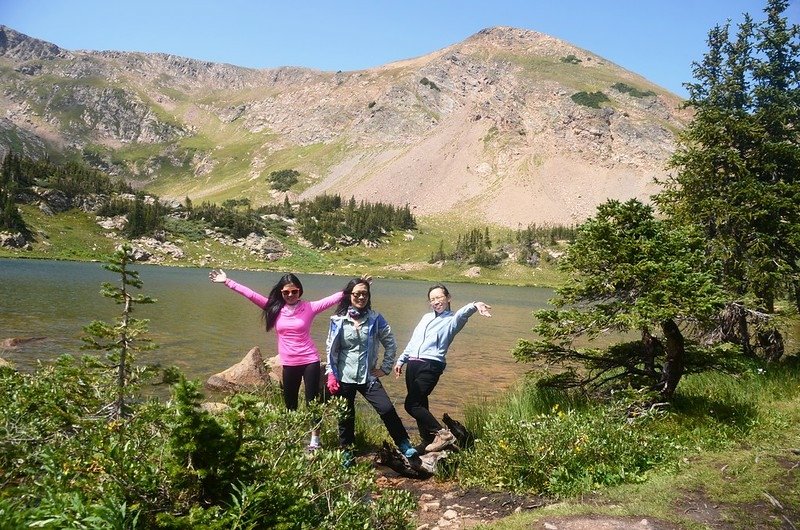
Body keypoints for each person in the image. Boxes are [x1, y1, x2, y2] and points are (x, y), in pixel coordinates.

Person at [209, 269, 343, 451]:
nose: (290, 295)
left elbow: (333, 299)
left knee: (312, 401)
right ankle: (291, 437)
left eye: (294, 291)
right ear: (281, 292)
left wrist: (355, 287)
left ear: (300, 291)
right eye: (286, 292)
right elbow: (250, 294)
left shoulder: (309, 308)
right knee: (290, 403)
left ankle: (314, 441)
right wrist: (227, 281)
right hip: (288, 363)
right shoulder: (274, 308)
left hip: (310, 360)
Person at [325, 278, 419, 463]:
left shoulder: (376, 319)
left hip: (368, 377)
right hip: (344, 376)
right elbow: (331, 349)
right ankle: (347, 451)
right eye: (357, 293)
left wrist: (385, 368)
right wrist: (331, 373)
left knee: (386, 409)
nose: (361, 297)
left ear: (369, 296)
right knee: (345, 416)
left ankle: (404, 444)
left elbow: (390, 343)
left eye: (365, 294)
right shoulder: (337, 321)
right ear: (349, 296)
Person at [394, 283, 492, 453]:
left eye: (439, 297)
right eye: (432, 299)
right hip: (413, 364)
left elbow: (462, 315)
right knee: (421, 403)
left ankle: (443, 434)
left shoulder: (451, 321)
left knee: (411, 404)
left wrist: (475, 305)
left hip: (431, 364)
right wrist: (401, 360)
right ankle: (428, 441)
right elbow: (413, 340)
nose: (436, 301)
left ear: (448, 298)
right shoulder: (425, 318)